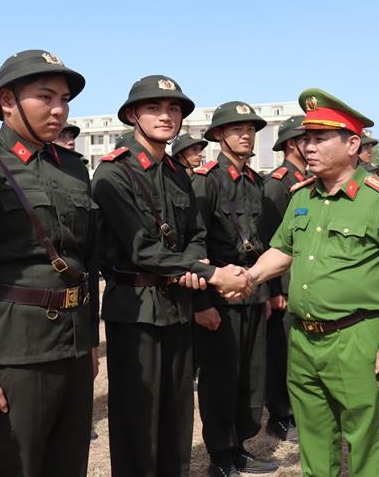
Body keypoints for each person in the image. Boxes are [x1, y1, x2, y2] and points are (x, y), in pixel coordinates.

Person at [234, 88, 379, 476]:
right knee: (315, 439)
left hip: (357, 337)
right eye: (307, 139)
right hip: (303, 338)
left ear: (352, 145)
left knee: (366, 441)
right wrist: (249, 277)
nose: (308, 147)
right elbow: (283, 250)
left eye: (320, 139)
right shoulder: (303, 196)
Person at [0, 50, 100, 477]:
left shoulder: (73, 169)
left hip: (72, 346)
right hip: (15, 353)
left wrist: (90, 342)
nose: (58, 109)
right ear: (7, 101)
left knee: (69, 466)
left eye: (64, 99)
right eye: (45, 97)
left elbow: (87, 263)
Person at [92, 75, 248, 477]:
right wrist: (209, 273)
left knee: (177, 417)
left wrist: (192, 270)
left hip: (177, 305)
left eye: (174, 109)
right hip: (136, 310)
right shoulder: (113, 174)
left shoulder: (178, 173)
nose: (166, 116)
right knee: (137, 419)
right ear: (132, 115)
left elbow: (196, 233)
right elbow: (141, 248)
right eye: (154, 108)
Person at [192, 101, 278, 476]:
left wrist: (267, 291)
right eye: (237, 129)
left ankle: (240, 445)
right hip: (220, 298)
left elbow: (265, 242)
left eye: (251, 129)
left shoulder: (256, 181)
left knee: (250, 377)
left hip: (253, 293)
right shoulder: (206, 180)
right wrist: (201, 303)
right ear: (218, 135)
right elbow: (194, 244)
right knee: (220, 380)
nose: (246, 135)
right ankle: (220, 456)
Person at [260, 114, 307, 443]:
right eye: (308, 139)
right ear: (292, 143)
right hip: (283, 285)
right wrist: (274, 289)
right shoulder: (278, 183)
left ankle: (297, 411)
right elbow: (269, 241)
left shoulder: (308, 180)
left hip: (302, 283)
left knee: (298, 353)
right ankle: (279, 415)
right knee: (281, 353)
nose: (314, 145)